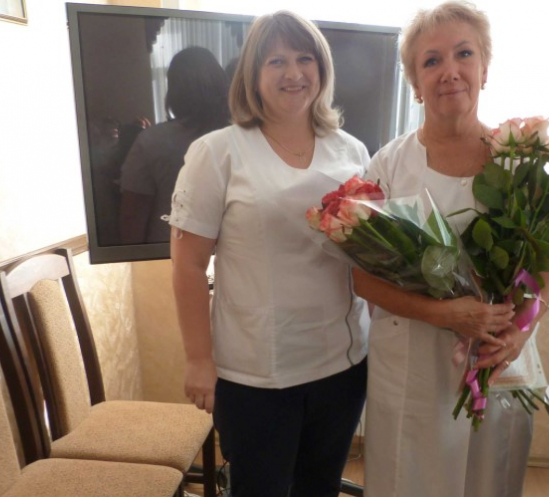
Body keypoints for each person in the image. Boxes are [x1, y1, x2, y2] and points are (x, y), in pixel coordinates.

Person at [353, 2, 549, 496]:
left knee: (488, 482)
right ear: (415, 82)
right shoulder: (387, 167)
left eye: (464, 54)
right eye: (431, 60)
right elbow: (362, 279)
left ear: (484, 68)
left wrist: (521, 332)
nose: (450, 71)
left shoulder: (520, 162)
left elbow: (548, 265)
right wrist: (444, 314)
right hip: (411, 362)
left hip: (496, 358)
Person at [167, 11, 370, 497]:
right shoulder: (217, 152)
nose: (293, 73)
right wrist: (199, 360)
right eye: (275, 61)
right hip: (254, 375)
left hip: (342, 365)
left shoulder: (352, 151)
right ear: (253, 76)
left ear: (322, 69)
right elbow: (188, 266)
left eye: (305, 59)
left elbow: (368, 255)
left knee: (319, 489)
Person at [119, 46, 230, 244]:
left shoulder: (151, 141)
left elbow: (132, 219)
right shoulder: (246, 138)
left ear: (173, 91)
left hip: (167, 253)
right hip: (234, 255)